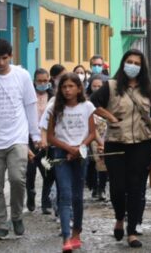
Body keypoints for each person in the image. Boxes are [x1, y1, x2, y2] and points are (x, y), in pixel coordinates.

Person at [92, 49, 151, 248]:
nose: (133, 66)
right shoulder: (110, 86)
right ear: (123, 63)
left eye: (137, 63)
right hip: (116, 142)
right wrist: (109, 117)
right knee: (118, 187)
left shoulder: (147, 89)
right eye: (129, 61)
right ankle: (119, 217)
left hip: (142, 143)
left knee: (136, 187)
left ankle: (132, 231)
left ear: (142, 67)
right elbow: (92, 103)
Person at [0, 39, 40, 240]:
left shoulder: (21, 76)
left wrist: (35, 135)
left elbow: (30, 105)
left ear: (11, 57)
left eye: (4, 58)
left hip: (17, 138)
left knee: (17, 178)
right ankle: (0, 223)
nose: (1, 63)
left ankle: (16, 216)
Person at [48, 72, 99, 252]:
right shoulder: (56, 108)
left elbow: (92, 133)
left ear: (79, 88)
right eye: (64, 87)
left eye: (71, 86)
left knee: (78, 196)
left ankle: (77, 231)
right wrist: (69, 149)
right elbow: (50, 137)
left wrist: (79, 148)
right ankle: (66, 237)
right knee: (65, 195)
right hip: (61, 153)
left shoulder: (87, 106)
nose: (67, 90)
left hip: (81, 153)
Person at [26, 68, 54, 213]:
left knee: (47, 172)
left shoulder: (54, 97)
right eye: (39, 81)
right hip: (29, 138)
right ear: (34, 80)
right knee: (29, 172)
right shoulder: (28, 95)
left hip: (47, 140)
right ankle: (30, 195)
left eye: (45, 81)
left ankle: (46, 203)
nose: (42, 83)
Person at [87, 74, 109, 201]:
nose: (96, 88)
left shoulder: (108, 100)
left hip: (106, 132)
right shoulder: (87, 101)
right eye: (94, 86)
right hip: (92, 133)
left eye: (99, 86)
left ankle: (101, 188)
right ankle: (93, 186)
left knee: (103, 161)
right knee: (93, 160)